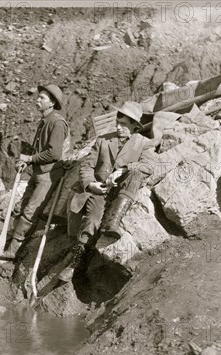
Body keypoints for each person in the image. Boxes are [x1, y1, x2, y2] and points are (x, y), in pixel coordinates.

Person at [59, 101, 155, 282]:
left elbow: (149, 166)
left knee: (135, 172)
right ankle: (75, 263)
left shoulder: (144, 144)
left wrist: (124, 169)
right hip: (100, 190)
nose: (119, 127)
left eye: (124, 125)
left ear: (135, 126)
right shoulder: (103, 139)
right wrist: (90, 184)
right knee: (92, 219)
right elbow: (87, 167)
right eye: (117, 123)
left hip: (122, 192)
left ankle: (112, 222)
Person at [3, 84, 69, 259]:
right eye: (38, 96)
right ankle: (8, 241)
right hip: (38, 172)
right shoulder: (44, 121)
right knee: (21, 207)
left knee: (30, 212)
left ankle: (13, 251)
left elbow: (54, 153)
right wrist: (28, 163)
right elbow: (39, 149)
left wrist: (30, 159)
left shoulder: (57, 123)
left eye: (42, 98)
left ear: (52, 103)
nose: (37, 100)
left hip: (48, 175)